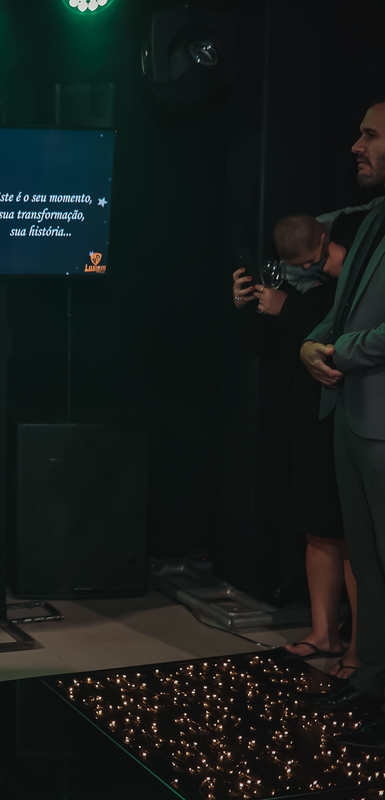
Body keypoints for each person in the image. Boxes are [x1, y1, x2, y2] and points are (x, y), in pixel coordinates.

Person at [231, 211, 361, 679]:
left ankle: (361, 648)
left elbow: (336, 333)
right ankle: (325, 634)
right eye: (300, 265)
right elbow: (272, 346)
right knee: (316, 529)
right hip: (303, 421)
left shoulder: (355, 284)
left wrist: (287, 306)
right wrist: (247, 306)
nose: (311, 268)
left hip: (342, 417)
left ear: (330, 240)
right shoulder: (309, 286)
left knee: (350, 537)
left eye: (315, 259)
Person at [297, 94, 385, 754]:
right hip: (351, 417)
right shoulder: (373, 216)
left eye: (371, 135)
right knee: (371, 568)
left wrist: (339, 351)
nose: (357, 146)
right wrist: (310, 344)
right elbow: (344, 307)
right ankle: (371, 682)